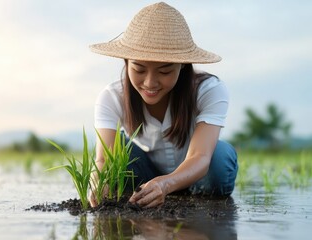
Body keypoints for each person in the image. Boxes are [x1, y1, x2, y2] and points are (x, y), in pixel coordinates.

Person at [88, 2, 238, 208]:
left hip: (198, 176)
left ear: (183, 65)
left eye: (165, 71)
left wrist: (166, 184)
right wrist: (98, 183)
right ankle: (145, 195)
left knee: (220, 158)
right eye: (139, 69)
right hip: (144, 174)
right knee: (118, 152)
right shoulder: (112, 96)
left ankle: (194, 196)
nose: (150, 83)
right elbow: (103, 160)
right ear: (126, 61)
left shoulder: (209, 89)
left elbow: (200, 156)